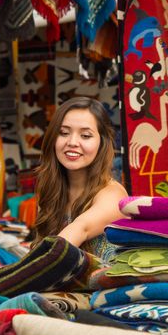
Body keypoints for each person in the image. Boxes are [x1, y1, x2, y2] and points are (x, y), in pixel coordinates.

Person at [32, 97, 128, 261]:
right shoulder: (50, 191)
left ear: (101, 143)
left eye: (85, 135)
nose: (72, 142)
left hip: (108, 286)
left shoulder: (112, 194)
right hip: (61, 284)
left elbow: (80, 229)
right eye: (63, 133)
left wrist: (25, 273)